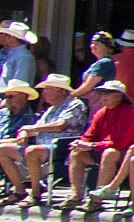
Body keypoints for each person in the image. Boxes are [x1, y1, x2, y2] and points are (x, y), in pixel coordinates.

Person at [0, 74, 87, 208]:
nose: (43, 93)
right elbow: (33, 129)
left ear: (59, 90)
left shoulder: (74, 105)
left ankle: (35, 194)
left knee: (32, 150)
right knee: (3, 150)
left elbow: (60, 126)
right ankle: (19, 190)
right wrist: (25, 131)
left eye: (47, 89)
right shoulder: (50, 110)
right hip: (41, 147)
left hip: (60, 150)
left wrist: (30, 129)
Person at [60, 80, 134, 210]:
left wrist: (91, 146)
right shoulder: (102, 113)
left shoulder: (129, 113)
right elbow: (90, 135)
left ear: (119, 96)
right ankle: (75, 196)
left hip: (132, 154)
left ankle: (96, 201)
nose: (103, 96)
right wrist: (81, 143)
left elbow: (119, 143)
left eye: (108, 93)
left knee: (110, 153)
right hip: (108, 150)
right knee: (77, 152)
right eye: (102, 93)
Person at [71, 32, 119, 113]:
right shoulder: (98, 62)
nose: (93, 46)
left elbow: (88, 86)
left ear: (106, 46)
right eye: (92, 43)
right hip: (90, 103)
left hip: (96, 104)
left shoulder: (104, 62)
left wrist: (71, 95)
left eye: (96, 43)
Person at [0, 21, 38, 87]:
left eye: (7, 35)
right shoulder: (14, 55)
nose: (5, 38)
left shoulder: (23, 57)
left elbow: (20, 82)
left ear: (12, 38)